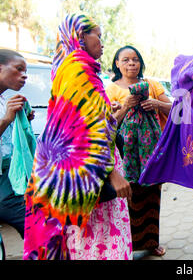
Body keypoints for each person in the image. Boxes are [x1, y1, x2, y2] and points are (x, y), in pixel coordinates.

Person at [23, 14, 132, 260]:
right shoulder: (79, 69)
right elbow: (83, 131)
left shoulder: (67, 68)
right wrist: (111, 173)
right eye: (98, 36)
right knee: (101, 244)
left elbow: (82, 119)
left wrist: (108, 113)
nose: (102, 43)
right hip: (93, 174)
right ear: (80, 36)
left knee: (85, 244)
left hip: (79, 174)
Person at [105, 45, 171, 258]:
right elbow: (106, 124)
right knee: (128, 196)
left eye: (135, 59)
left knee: (152, 193)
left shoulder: (151, 84)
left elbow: (174, 109)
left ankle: (151, 242)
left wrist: (156, 104)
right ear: (117, 63)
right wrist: (125, 106)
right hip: (124, 151)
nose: (131, 63)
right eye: (125, 60)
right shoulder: (110, 89)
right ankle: (127, 245)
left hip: (152, 149)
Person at [0, 49, 30, 240]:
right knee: (35, 226)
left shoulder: (4, 100)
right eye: (18, 69)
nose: (24, 75)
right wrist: (7, 119)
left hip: (7, 175)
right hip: (3, 189)